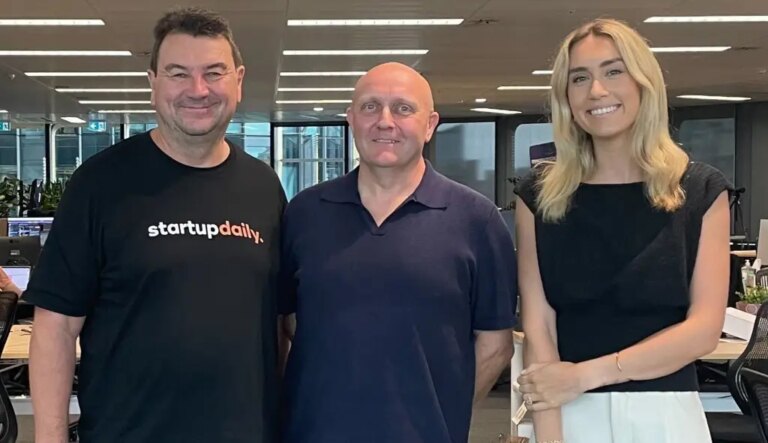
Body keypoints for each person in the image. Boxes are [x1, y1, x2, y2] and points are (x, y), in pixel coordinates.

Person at [26, 7, 285, 442]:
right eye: (178, 73)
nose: (198, 90)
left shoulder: (263, 187)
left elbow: (278, 324)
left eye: (214, 73)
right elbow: (56, 327)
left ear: (239, 81)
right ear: (153, 83)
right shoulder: (100, 184)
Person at [514, 18, 731, 443]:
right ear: (565, 96)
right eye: (580, 78)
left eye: (614, 71)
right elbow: (540, 329)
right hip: (568, 411)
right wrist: (551, 436)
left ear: (644, 83)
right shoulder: (539, 196)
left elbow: (703, 330)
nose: (597, 90)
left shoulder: (699, 190)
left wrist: (584, 375)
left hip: (666, 415)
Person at [278, 62, 518, 443]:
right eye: (370, 107)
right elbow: (290, 323)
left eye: (403, 108)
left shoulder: (477, 220)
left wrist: (444, 412)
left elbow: (495, 344)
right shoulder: (304, 213)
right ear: (351, 119)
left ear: (430, 124)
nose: (385, 122)